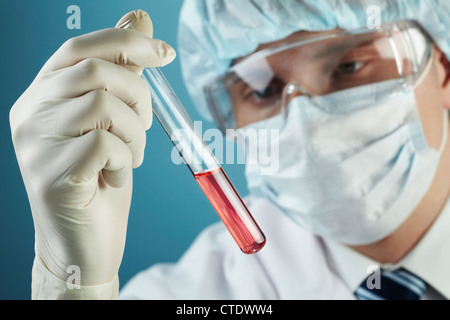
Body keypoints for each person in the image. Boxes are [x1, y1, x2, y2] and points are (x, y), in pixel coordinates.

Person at [9, 0, 450, 300]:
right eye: (261, 90)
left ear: (443, 66)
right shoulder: (196, 296)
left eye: (350, 66)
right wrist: (72, 283)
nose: (305, 120)